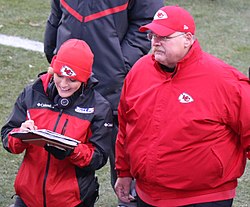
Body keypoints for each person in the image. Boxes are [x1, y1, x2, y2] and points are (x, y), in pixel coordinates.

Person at [115, 5, 250, 207]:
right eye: (152, 35)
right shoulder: (139, 71)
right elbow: (126, 126)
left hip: (204, 198)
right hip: (147, 196)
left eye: (164, 37)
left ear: (187, 39)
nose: (155, 42)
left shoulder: (224, 80)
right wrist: (124, 172)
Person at [43, 1, 164, 206]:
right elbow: (57, 12)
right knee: (57, 152)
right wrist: (55, 52)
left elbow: (146, 20)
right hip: (69, 81)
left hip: (113, 85)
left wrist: (119, 64)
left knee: (125, 160)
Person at [1, 39, 113, 207]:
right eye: (59, 75)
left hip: (72, 201)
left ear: (85, 79)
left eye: (72, 80)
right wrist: (21, 134)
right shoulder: (32, 92)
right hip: (28, 198)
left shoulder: (99, 108)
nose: (64, 84)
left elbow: (98, 159)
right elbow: (7, 139)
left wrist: (71, 151)